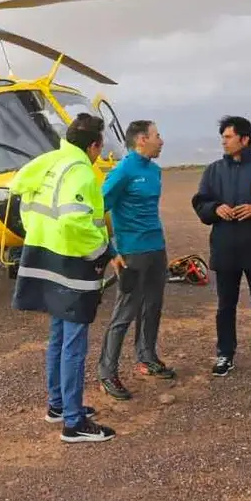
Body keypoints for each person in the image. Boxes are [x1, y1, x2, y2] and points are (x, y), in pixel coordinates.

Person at [8, 112, 118, 444]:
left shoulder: (49, 161)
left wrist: (42, 236)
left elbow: (22, 198)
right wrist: (102, 251)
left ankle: (58, 404)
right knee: (74, 342)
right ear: (94, 145)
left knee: (58, 336)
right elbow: (74, 221)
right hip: (72, 263)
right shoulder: (82, 172)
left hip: (43, 255)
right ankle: (73, 422)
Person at [191, 115, 251, 378]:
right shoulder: (213, 171)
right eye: (223, 137)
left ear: (245, 139)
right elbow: (201, 202)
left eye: (229, 137)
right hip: (226, 249)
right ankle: (225, 354)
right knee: (225, 305)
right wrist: (214, 208)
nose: (224, 141)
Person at [98, 120, 175, 401]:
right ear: (142, 139)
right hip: (132, 252)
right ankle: (107, 371)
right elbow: (97, 211)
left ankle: (146, 357)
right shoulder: (122, 171)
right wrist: (111, 251)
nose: (162, 140)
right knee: (125, 311)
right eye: (157, 135)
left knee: (153, 305)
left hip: (157, 248)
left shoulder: (154, 171)